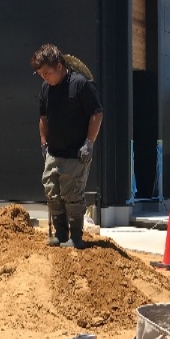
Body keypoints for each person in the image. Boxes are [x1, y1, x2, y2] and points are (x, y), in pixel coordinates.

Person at [30, 44, 103, 249]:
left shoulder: (80, 85)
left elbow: (97, 114)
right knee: (52, 192)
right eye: (41, 74)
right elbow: (43, 117)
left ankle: (76, 236)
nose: (45, 77)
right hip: (54, 152)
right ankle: (61, 234)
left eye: (47, 73)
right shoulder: (46, 89)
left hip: (76, 153)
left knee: (72, 195)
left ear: (59, 66)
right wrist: (43, 142)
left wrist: (89, 143)